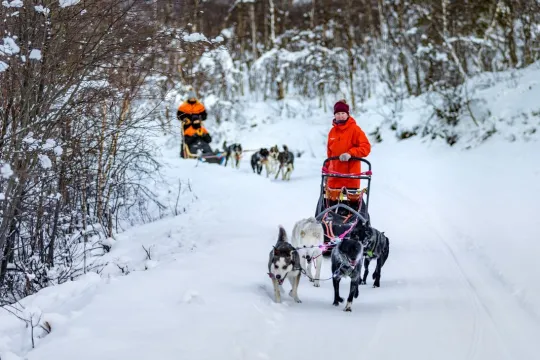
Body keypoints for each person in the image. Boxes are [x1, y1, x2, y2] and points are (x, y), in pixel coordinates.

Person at [326, 99, 371, 220]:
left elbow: (366, 148)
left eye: (343, 113)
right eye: (337, 113)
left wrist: (351, 153)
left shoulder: (355, 130)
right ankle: (329, 227)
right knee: (330, 207)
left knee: (352, 208)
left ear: (347, 114)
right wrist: (327, 171)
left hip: (351, 177)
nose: (340, 115)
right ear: (334, 115)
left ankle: (354, 227)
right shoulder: (332, 132)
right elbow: (329, 154)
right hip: (334, 178)